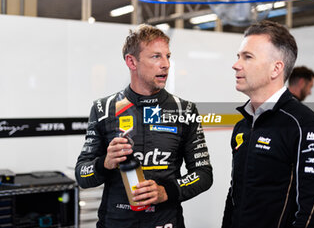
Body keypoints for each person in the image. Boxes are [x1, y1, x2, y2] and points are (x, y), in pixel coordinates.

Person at [75, 24, 213, 228]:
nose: (166, 64)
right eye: (156, 56)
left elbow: (203, 174)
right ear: (132, 61)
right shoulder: (103, 108)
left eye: (167, 56)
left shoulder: (185, 110)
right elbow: (82, 174)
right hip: (115, 222)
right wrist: (105, 162)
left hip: (166, 222)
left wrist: (166, 191)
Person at [221, 20, 314, 228]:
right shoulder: (243, 125)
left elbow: (313, 215)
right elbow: (235, 196)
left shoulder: (306, 127)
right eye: (238, 56)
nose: (236, 64)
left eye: (247, 57)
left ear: (276, 69)